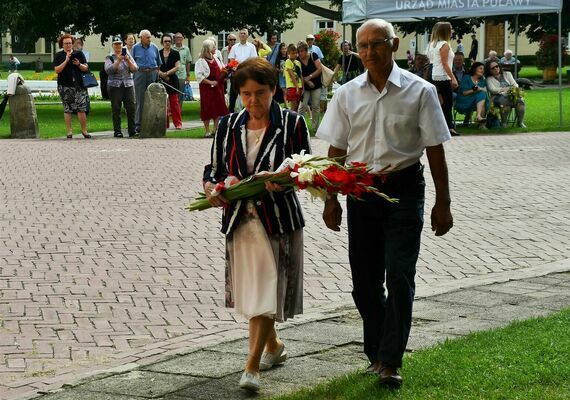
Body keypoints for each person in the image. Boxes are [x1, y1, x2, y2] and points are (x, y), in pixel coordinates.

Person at [316, 18, 453, 389]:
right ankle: (376, 352)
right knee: (364, 282)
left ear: (394, 45)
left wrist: (444, 201)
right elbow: (336, 150)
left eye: (377, 44)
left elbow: (435, 148)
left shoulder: (420, 91)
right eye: (362, 46)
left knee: (399, 274)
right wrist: (330, 198)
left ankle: (390, 360)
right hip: (362, 193)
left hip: (405, 190)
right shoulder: (346, 94)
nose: (369, 52)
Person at [202, 57, 311, 392]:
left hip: (277, 220)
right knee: (253, 293)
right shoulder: (226, 125)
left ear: (274, 90)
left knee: (266, 289)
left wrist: (285, 179)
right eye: (246, 94)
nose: (253, 101)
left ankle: (251, 367)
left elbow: (307, 169)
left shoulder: (292, 123)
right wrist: (212, 189)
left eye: (260, 93)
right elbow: (214, 169)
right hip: (240, 221)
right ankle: (274, 346)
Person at [53, 34, 92, 139]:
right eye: (66, 43)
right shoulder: (59, 55)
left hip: (79, 85)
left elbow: (86, 68)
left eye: (70, 43)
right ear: (62, 44)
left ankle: (84, 130)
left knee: (81, 108)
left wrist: (78, 64)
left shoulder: (79, 54)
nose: (68, 45)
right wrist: (66, 60)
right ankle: (69, 131)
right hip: (65, 85)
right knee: (68, 108)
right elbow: (57, 70)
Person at [427, 21, 458, 136]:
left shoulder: (432, 44)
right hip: (442, 76)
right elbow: (445, 64)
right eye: (451, 29)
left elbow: (431, 61)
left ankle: (443, 126)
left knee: (440, 102)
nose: (452, 30)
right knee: (448, 102)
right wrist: (453, 78)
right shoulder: (444, 44)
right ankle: (448, 127)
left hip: (434, 75)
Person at [104, 35, 138, 137]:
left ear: (122, 45)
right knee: (116, 108)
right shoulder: (109, 57)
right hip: (115, 86)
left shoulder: (128, 55)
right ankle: (117, 131)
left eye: (119, 44)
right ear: (113, 45)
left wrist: (127, 60)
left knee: (131, 107)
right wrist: (118, 60)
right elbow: (109, 70)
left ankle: (132, 130)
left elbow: (135, 69)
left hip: (128, 85)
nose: (118, 46)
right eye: (116, 44)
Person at [195, 39, 229, 137]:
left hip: (218, 87)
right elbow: (199, 76)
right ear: (208, 49)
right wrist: (210, 82)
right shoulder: (200, 61)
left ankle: (215, 129)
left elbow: (222, 68)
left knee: (218, 107)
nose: (215, 48)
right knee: (207, 108)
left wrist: (227, 70)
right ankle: (207, 131)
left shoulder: (216, 58)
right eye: (213, 47)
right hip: (206, 88)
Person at [131, 30, 161, 133]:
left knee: (152, 99)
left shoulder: (154, 47)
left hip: (152, 73)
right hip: (140, 73)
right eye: (147, 37)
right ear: (141, 38)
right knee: (140, 99)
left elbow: (158, 63)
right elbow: (132, 62)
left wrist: (156, 73)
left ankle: (152, 122)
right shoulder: (135, 48)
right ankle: (138, 124)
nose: (149, 39)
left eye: (150, 37)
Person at [485, 61, 526, 128]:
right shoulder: (489, 78)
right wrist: (504, 90)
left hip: (511, 95)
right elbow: (492, 89)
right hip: (497, 97)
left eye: (497, 66)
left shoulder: (507, 74)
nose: (495, 68)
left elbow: (515, 84)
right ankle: (504, 123)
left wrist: (511, 89)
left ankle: (520, 123)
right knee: (505, 102)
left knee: (520, 102)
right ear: (489, 70)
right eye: (493, 68)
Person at [228, 28, 258, 112]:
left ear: (247, 35)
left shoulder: (251, 47)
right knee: (233, 95)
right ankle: (231, 112)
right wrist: (234, 67)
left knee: (246, 92)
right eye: (241, 33)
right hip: (236, 73)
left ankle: (246, 111)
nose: (242, 35)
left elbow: (253, 60)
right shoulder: (234, 47)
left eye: (244, 33)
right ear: (239, 35)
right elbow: (231, 60)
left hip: (247, 73)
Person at [158, 33, 182, 130]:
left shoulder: (175, 53)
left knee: (174, 102)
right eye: (165, 41)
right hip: (161, 80)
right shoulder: (158, 53)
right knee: (163, 103)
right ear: (162, 43)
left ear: (171, 42)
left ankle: (178, 123)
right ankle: (165, 124)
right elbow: (156, 67)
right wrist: (161, 74)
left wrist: (167, 73)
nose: (167, 43)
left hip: (172, 80)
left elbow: (177, 67)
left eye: (169, 41)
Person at [297, 41, 322, 132]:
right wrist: (307, 81)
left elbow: (319, 69)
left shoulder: (313, 55)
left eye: (301, 51)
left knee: (315, 106)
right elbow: (297, 75)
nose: (299, 53)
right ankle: (299, 127)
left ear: (306, 50)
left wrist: (310, 77)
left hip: (316, 85)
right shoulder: (297, 60)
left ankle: (315, 128)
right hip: (304, 87)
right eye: (298, 51)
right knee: (302, 106)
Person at [455, 62, 489, 129]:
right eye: (480, 68)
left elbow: (485, 90)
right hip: (464, 100)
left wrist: (479, 89)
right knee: (482, 95)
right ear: (474, 69)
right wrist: (475, 89)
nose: (482, 70)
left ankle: (480, 120)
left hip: (476, 101)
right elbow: (464, 93)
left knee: (482, 95)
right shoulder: (467, 77)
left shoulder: (482, 80)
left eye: (483, 69)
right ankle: (480, 122)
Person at [173, 32, 193, 108]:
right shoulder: (171, 48)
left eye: (179, 37)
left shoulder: (186, 49)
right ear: (174, 39)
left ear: (182, 39)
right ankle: (172, 110)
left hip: (182, 74)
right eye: (176, 37)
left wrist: (188, 75)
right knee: (173, 94)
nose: (178, 39)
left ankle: (179, 110)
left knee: (180, 94)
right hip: (173, 74)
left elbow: (188, 62)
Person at [284, 43, 303, 111]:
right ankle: (291, 120)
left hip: (299, 86)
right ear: (289, 53)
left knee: (297, 106)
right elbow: (292, 75)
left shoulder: (298, 62)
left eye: (296, 53)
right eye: (293, 53)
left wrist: (302, 87)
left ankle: (295, 121)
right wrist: (297, 87)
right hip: (292, 86)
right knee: (293, 105)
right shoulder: (288, 61)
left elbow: (301, 75)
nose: (295, 55)